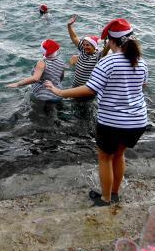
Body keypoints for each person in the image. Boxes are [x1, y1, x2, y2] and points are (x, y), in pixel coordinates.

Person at [45, 19, 148, 206]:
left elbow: (89, 89)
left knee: (105, 158)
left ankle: (105, 199)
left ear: (111, 41)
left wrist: (59, 92)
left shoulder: (108, 62)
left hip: (113, 122)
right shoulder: (140, 61)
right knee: (119, 155)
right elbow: (142, 86)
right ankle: (114, 193)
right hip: (137, 121)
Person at [66, 15, 100, 87]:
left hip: (86, 88)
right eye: (84, 45)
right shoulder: (83, 50)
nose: (85, 47)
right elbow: (74, 38)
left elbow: (106, 51)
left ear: (94, 46)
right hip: (75, 85)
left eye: (87, 45)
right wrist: (69, 26)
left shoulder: (97, 56)